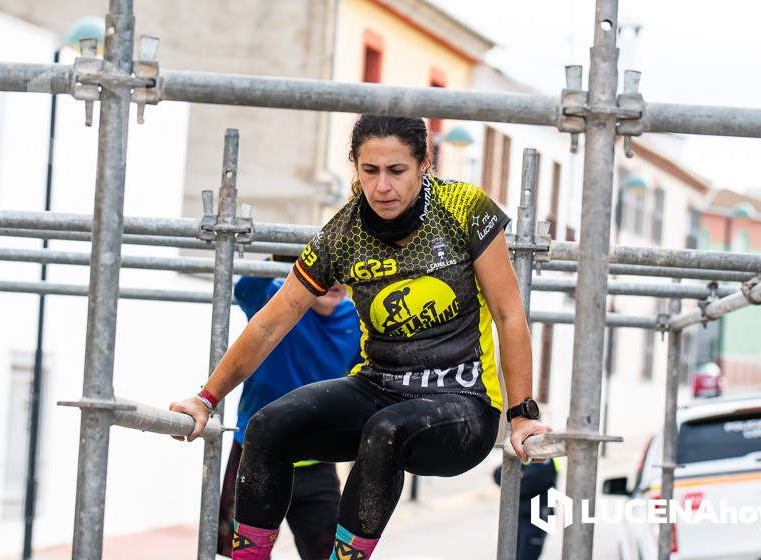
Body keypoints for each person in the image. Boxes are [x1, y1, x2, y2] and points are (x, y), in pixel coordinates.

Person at [171, 114, 552, 560]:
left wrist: (522, 413)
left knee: (386, 429)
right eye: (370, 171)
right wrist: (207, 397)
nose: (382, 187)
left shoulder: (465, 209)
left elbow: (509, 315)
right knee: (267, 425)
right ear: (356, 167)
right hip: (378, 387)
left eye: (396, 171)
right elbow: (271, 321)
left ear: (423, 164)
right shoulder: (343, 234)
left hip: (461, 404)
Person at [216, 265, 362, 559]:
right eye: (325, 269)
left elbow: (365, 377)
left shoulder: (355, 322)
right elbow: (247, 288)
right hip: (254, 456)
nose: (334, 281)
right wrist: (281, 257)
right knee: (242, 552)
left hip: (317, 462)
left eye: (341, 273)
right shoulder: (278, 302)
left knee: (328, 552)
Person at [493, 458, 560, 560]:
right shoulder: (522, 457)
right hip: (517, 517)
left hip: (537, 519)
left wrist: (514, 477)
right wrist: (520, 476)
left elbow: (529, 483)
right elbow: (498, 474)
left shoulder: (546, 459)